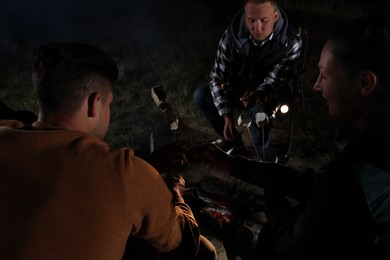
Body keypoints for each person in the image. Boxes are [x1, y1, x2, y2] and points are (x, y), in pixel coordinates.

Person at [196, 14, 390, 259]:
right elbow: (315, 184)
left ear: (365, 82)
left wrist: (272, 196)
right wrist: (235, 165)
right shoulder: (373, 149)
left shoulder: (356, 173)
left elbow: (292, 243)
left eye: (324, 75)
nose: (316, 86)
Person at [0, 42, 216, 259]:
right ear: (94, 103)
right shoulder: (124, 172)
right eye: (109, 102)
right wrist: (176, 194)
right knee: (205, 252)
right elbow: (186, 244)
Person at [193, 0, 302, 162]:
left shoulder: (290, 43)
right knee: (201, 95)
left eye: (264, 20)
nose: (257, 28)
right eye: (251, 20)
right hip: (237, 88)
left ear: (275, 16)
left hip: (267, 92)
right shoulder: (231, 35)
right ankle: (234, 143)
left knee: (260, 121)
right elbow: (217, 77)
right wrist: (226, 116)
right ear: (245, 17)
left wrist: (258, 95)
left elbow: (274, 83)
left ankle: (266, 154)